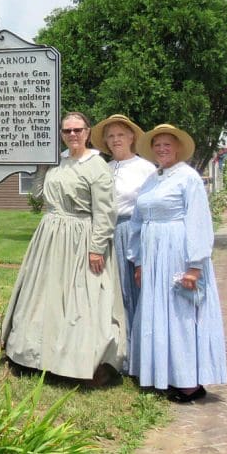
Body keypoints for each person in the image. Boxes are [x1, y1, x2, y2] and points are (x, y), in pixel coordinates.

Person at [0, 112, 125, 383]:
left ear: (88, 131)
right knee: (45, 296)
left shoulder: (97, 166)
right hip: (51, 237)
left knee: (82, 299)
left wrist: (96, 247)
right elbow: (37, 194)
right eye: (67, 131)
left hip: (82, 237)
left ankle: (83, 362)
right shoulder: (57, 162)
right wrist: (41, 167)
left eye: (77, 130)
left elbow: (105, 211)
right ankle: (34, 355)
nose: (72, 135)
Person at [128, 124, 227, 402]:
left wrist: (195, 266)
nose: (161, 149)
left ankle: (189, 383)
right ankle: (164, 374)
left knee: (181, 315)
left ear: (178, 148)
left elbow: (198, 220)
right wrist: (138, 261)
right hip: (153, 253)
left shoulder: (188, 178)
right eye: (157, 145)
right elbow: (138, 220)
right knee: (159, 314)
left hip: (177, 252)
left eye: (167, 145)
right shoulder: (152, 179)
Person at [90, 114, 155, 372]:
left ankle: (138, 358)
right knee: (111, 293)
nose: (116, 140)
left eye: (120, 135)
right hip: (106, 232)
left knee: (133, 291)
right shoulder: (103, 168)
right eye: (111, 136)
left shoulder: (145, 169)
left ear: (131, 137)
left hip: (133, 230)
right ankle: (115, 353)